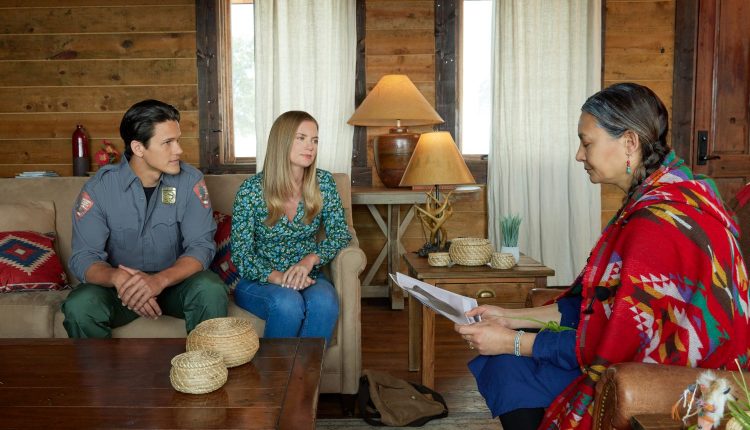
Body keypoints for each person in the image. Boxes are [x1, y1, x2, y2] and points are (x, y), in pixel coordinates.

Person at [454, 83, 750, 430]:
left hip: (675, 380)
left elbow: (611, 344)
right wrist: (508, 316)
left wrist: (512, 340)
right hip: (641, 358)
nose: (579, 155)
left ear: (629, 142)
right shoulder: (662, 195)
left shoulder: (657, 224)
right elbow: (596, 305)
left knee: (508, 363)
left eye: (587, 142)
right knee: (507, 362)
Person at [62, 99, 229, 338]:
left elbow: (200, 247)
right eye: (167, 143)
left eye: (178, 140)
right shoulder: (99, 189)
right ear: (139, 148)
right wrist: (119, 279)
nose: (179, 150)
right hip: (119, 290)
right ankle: (99, 376)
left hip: (174, 284)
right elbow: (84, 257)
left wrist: (158, 281)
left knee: (210, 288)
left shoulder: (190, 181)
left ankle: (203, 372)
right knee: (80, 305)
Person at [230, 110, 351, 345]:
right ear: (282, 141)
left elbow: (340, 233)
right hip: (260, 281)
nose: (310, 147)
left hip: (308, 276)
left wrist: (310, 260)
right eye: (301, 138)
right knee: (288, 304)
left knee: (326, 302)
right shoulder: (251, 190)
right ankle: (274, 381)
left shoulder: (324, 183)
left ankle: (303, 381)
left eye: (315, 140)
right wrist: (280, 278)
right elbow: (241, 254)